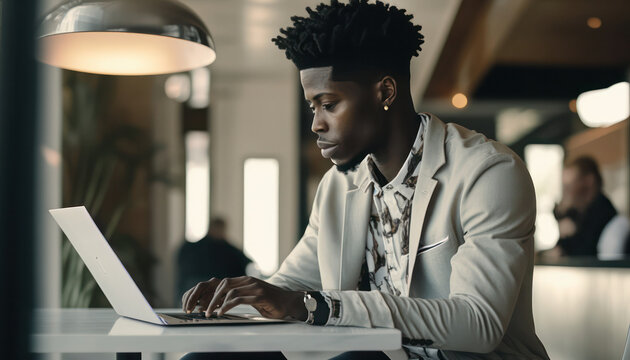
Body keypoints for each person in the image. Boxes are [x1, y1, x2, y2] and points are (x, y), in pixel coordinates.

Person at [181, 1, 549, 359]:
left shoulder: (488, 173)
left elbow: (479, 324)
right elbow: (288, 289)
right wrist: (228, 304)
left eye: (329, 104)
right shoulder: (339, 187)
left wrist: (314, 305)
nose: (316, 124)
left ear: (385, 92)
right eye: (312, 107)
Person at [551, 156, 617, 257]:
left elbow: (585, 253)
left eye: (570, 185)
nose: (568, 192)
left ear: (589, 181)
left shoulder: (602, 212)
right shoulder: (578, 213)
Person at [176, 217, 254, 302]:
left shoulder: (231, 251)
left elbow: (243, 268)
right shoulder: (192, 248)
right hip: (197, 287)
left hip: (220, 290)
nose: (219, 231)